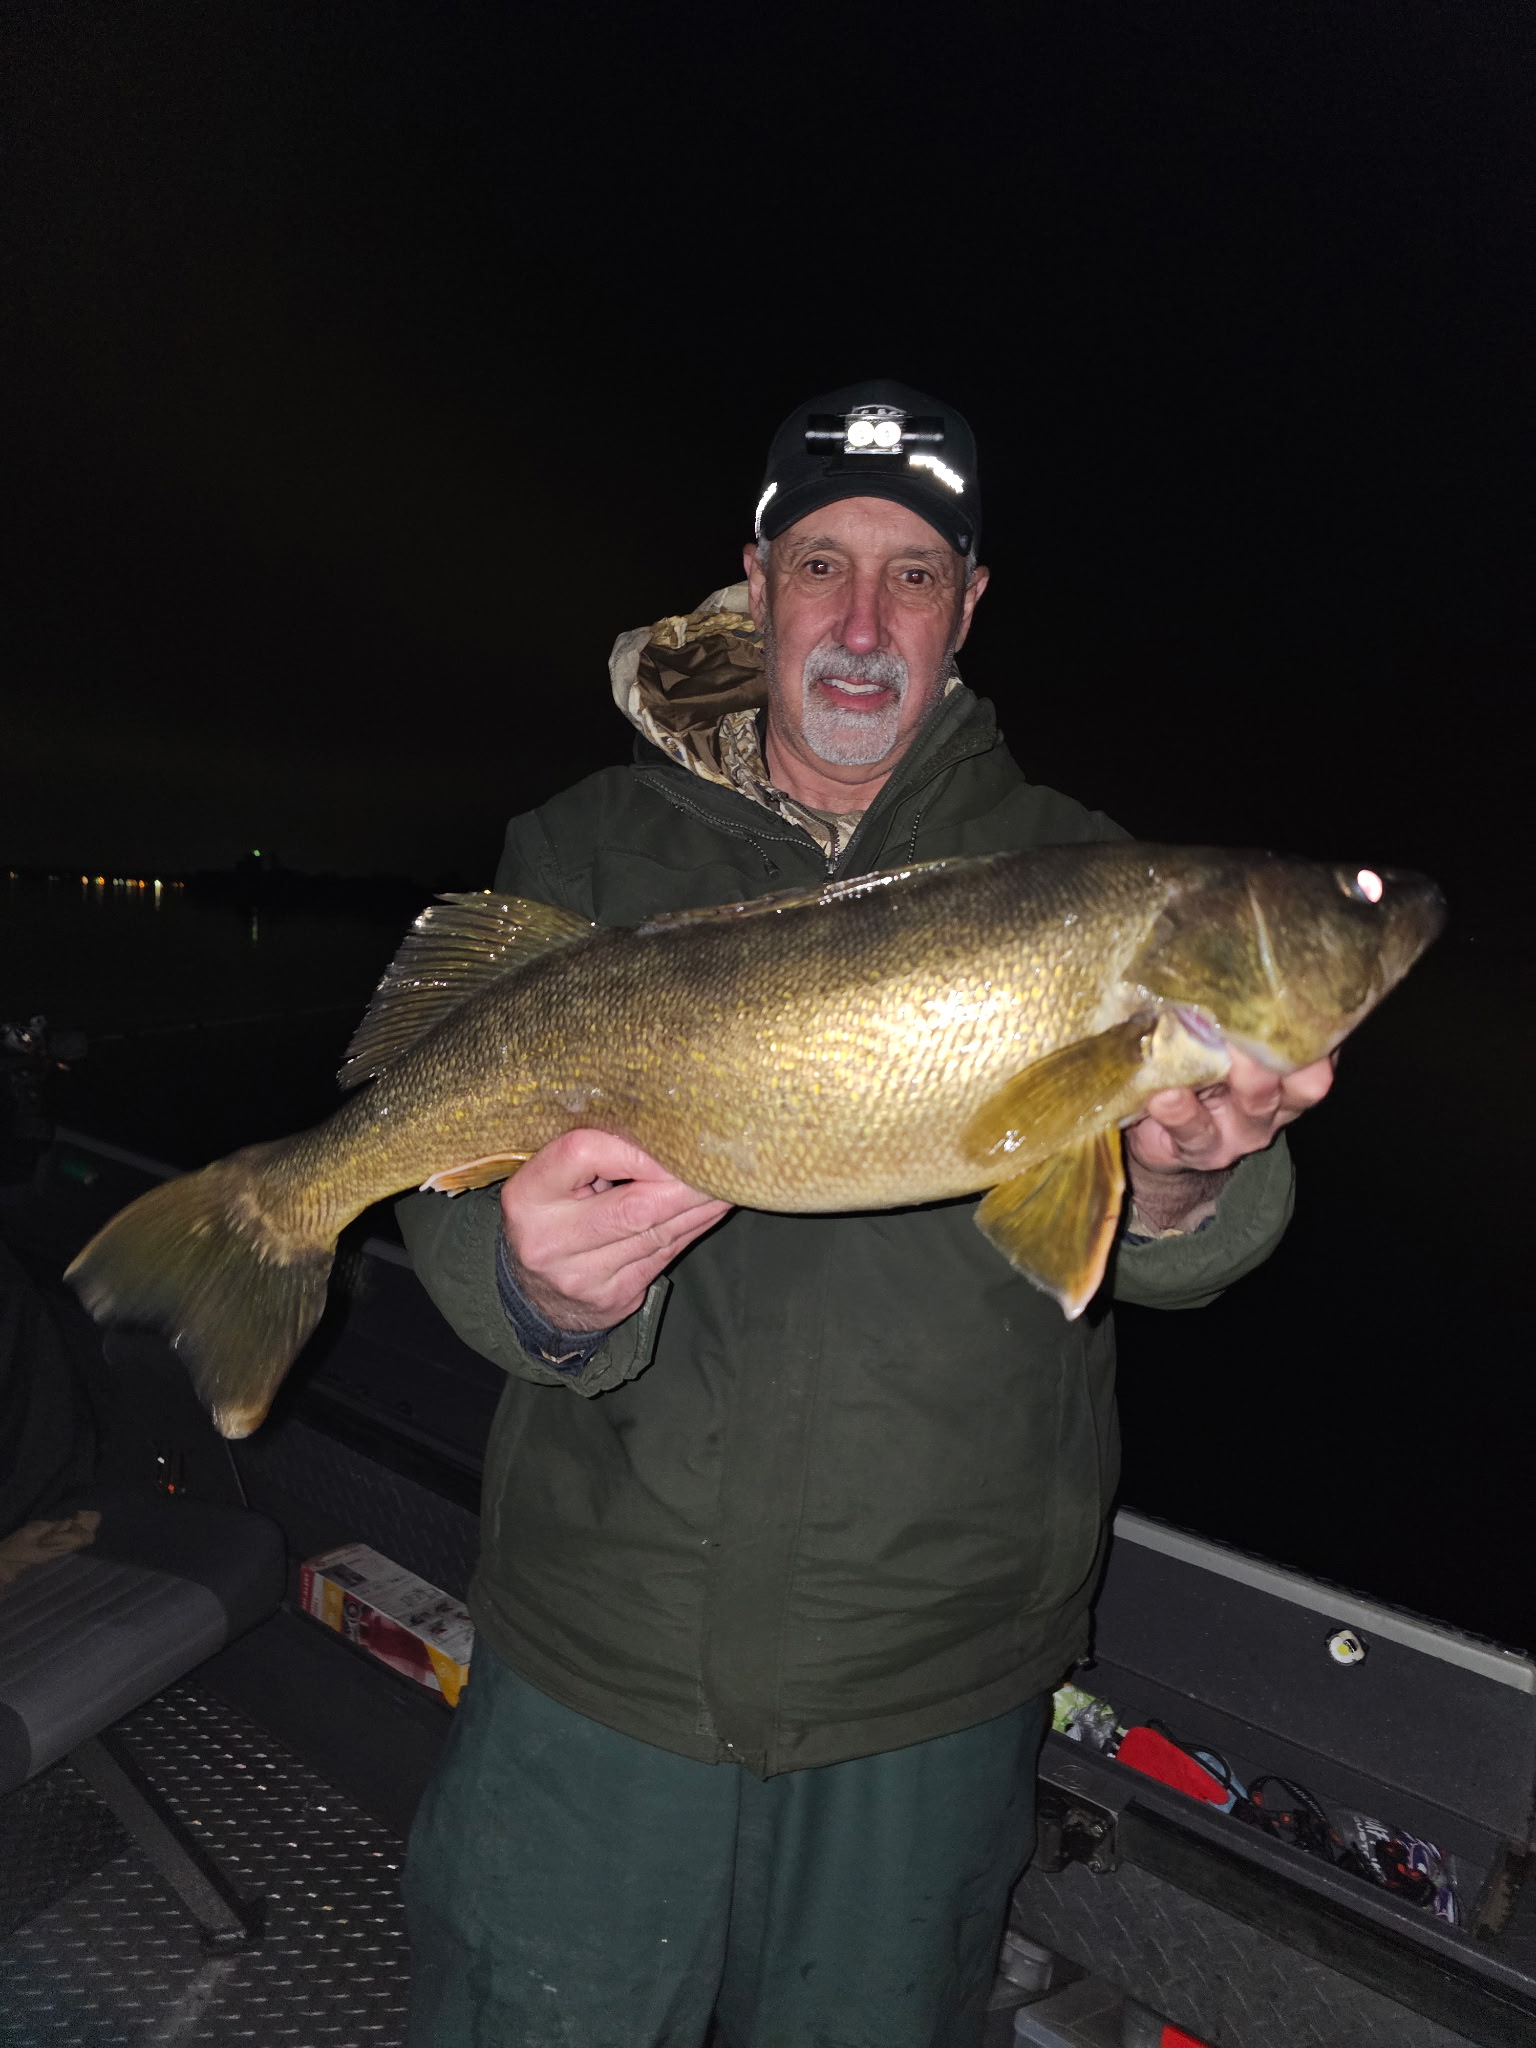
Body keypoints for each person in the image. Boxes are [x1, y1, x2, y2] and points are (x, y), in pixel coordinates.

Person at [397, 381, 1334, 2048]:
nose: (859, 622)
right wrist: (541, 1293)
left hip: (933, 1675)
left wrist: (1187, 1177)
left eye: (914, 576)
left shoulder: (1083, 871)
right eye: (822, 563)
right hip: (602, 1647)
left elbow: (1170, 1232)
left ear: (967, 610)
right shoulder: (583, 851)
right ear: (754, 583)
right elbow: (439, 1178)